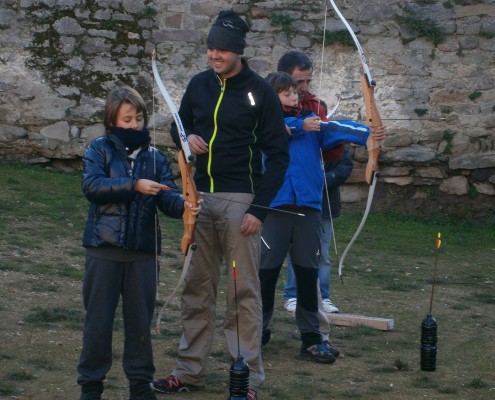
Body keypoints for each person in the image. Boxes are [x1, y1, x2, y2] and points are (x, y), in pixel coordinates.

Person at [152, 10, 289, 400]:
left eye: (222, 50)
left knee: (242, 292)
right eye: (211, 48)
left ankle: (245, 378)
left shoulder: (259, 92)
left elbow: (278, 156)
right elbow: (177, 127)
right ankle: (188, 370)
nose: (214, 55)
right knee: (196, 289)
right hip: (197, 199)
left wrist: (258, 210)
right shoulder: (198, 85)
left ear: (238, 52)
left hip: (239, 200)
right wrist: (187, 138)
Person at [77, 87, 201, 400]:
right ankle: (91, 386)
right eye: (127, 118)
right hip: (104, 249)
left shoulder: (154, 157)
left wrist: (185, 205)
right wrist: (133, 184)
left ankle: (140, 385)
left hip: (143, 253)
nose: (134, 124)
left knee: (140, 325)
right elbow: (92, 187)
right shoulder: (99, 149)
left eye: (139, 118)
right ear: (113, 119)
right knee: (98, 324)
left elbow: (167, 195)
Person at [258, 71, 384, 364]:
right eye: (287, 93)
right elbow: (273, 130)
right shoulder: (262, 121)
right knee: (265, 276)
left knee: (307, 275)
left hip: (308, 209)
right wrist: (300, 125)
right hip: (273, 209)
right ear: (271, 95)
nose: (295, 96)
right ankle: (257, 333)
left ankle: (312, 338)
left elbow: (335, 128)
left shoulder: (312, 122)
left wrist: (369, 133)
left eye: (295, 92)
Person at [278, 50, 349, 314]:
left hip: (311, 191)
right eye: (298, 83)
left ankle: (322, 295)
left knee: (319, 249)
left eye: (308, 81)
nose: (304, 89)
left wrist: (362, 134)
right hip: (282, 190)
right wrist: (298, 126)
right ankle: (292, 294)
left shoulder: (317, 106)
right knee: (281, 251)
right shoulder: (268, 102)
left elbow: (331, 146)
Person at [283, 149, 353, 314]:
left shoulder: (334, 142)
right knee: (298, 250)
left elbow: (344, 168)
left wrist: (320, 180)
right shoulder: (300, 138)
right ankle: (292, 295)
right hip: (300, 204)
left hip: (324, 206)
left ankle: (323, 296)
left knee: (322, 253)